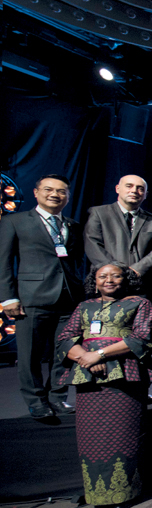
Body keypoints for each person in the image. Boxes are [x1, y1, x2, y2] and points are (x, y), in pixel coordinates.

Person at [57, 263, 152, 508]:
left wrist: (100, 355)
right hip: (88, 380)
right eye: (103, 276)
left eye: (116, 275)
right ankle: (96, 495)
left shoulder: (140, 303)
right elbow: (65, 337)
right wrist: (85, 357)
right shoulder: (84, 306)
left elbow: (141, 338)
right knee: (91, 438)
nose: (109, 280)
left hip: (125, 376)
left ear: (126, 280)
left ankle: (126, 493)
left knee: (124, 435)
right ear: (95, 280)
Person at [0, 173, 86, 418]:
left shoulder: (73, 225)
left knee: (66, 351)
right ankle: (36, 401)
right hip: (31, 298)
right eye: (49, 189)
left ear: (67, 196)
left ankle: (58, 397)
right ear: (37, 193)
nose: (55, 194)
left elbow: (77, 262)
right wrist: (8, 298)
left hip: (70, 299)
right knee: (30, 355)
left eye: (61, 191)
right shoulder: (15, 221)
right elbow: (3, 262)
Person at [82, 174, 152, 300]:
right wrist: (116, 272)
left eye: (140, 188)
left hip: (142, 285)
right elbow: (92, 244)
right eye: (129, 186)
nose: (134, 191)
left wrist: (136, 270)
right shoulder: (98, 213)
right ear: (117, 188)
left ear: (145, 194)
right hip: (107, 285)